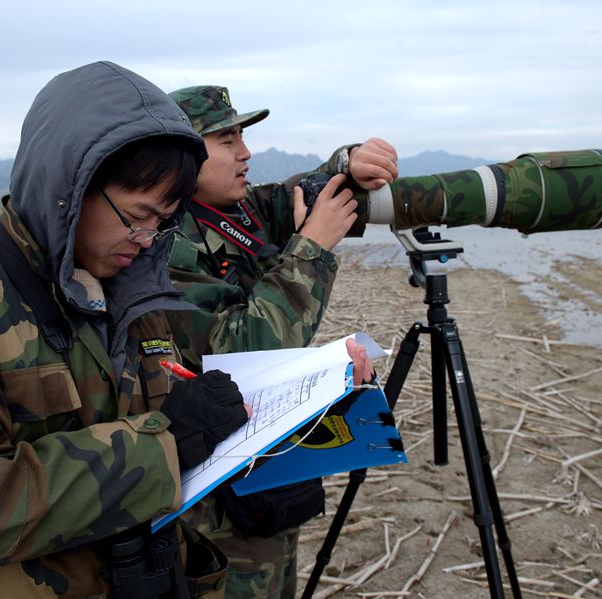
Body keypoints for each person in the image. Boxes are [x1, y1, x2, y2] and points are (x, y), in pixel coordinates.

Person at [0, 61, 259, 598]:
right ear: (67, 187)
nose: (147, 239)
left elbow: (184, 399)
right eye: (137, 215)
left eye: (163, 222)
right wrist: (164, 444)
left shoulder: (138, 296)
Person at [165, 85, 397, 598]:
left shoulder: (241, 209)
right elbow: (237, 348)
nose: (245, 152)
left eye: (242, 137)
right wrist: (311, 247)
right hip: (219, 497)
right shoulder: (165, 243)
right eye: (226, 140)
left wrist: (347, 161)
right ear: (182, 156)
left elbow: (303, 189)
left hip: (271, 468)